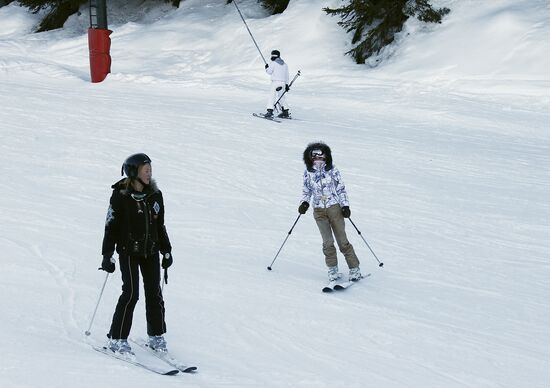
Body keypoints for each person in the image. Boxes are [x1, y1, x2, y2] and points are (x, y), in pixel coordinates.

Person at [100, 153, 173, 356]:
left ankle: (156, 336)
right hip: (128, 251)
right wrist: (107, 254)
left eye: (150, 169)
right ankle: (117, 338)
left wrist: (166, 250)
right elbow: (110, 225)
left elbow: (160, 225)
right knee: (131, 293)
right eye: (145, 169)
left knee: (154, 294)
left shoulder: (155, 195)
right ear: (133, 172)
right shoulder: (120, 195)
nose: (149, 173)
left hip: (150, 251)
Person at [298, 142, 362, 282]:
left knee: (342, 241)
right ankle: (333, 269)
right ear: (310, 157)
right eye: (315, 155)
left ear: (326, 156)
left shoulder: (333, 170)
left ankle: (354, 268)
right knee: (327, 242)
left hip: (334, 208)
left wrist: (345, 206)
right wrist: (304, 202)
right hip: (319, 210)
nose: (318, 158)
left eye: (321, 155)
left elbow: (341, 189)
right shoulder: (308, 172)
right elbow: (306, 190)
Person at [264, 49, 290, 118]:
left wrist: (266, 68)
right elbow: (287, 75)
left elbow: (269, 72)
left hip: (275, 82)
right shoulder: (285, 64)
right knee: (281, 97)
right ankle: (285, 111)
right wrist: (287, 84)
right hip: (283, 83)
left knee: (272, 96)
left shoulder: (273, 63)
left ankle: (270, 111)